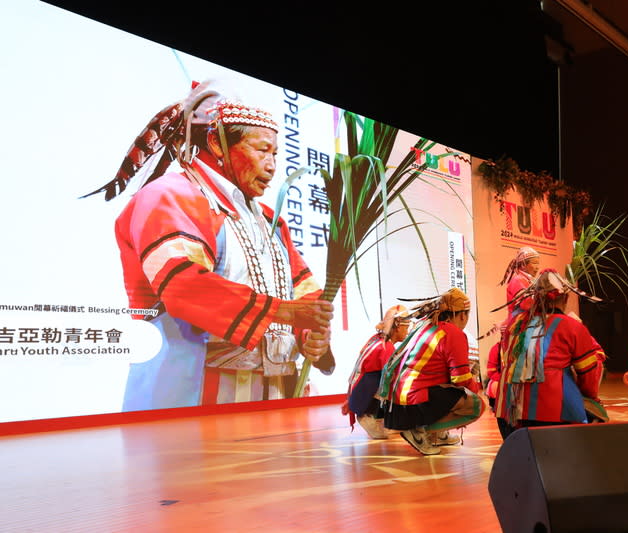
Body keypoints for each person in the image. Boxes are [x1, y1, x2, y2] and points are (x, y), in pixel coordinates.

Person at [86, 81, 335, 410]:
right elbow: (183, 286)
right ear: (217, 143)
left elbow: (304, 289)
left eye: (275, 153)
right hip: (194, 396)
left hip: (274, 394)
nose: (273, 165)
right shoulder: (170, 196)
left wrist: (313, 334)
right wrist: (286, 313)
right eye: (262, 150)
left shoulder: (269, 220)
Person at [494, 269, 607, 439]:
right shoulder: (572, 326)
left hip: (506, 414)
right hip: (552, 413)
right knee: (597, 414)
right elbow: (589, 373)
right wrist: (590, 399)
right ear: (565, 298)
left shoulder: (514, 324)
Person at [377, 288, 485, 455]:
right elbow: (461, 380)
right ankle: (420, 431)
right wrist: (475, 384)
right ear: (463, 315)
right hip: (412, 403)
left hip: (396, 403)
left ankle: (437, 434)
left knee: (447, 390)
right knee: (476, 405)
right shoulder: (453, 333)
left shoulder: (425, 326)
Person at [343, 305, 411, 439]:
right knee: (401, 383)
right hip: (363, 392)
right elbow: (388, 378)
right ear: (397, 326)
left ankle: (380, 417)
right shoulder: (385, 347)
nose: (407, 331)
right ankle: (369, 415)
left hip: (359, 390)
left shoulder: (379, 340)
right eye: (406, 327)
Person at [500, 246, 540, 317]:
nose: (537, 267)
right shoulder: (517, 280)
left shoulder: (531, 280)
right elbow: (526, 304)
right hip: (517, 322)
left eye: (538, 263)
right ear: (523, 265)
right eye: (534, 263)